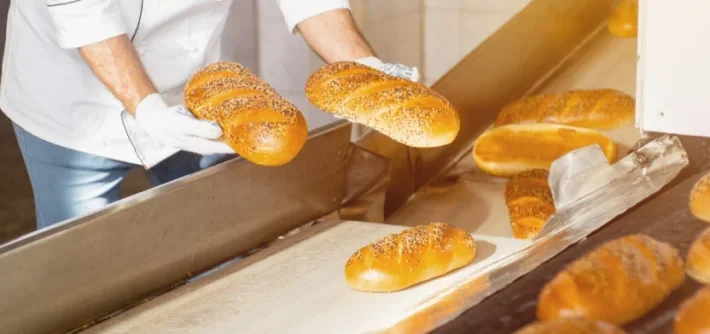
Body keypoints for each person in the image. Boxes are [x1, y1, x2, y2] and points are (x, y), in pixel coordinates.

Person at [1, 0, 419, 230]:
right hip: (73, 96)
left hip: (190, 85)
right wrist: (148, 108)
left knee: (218, 241)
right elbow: (84, 13)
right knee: (77, 268)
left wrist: (365, 68)